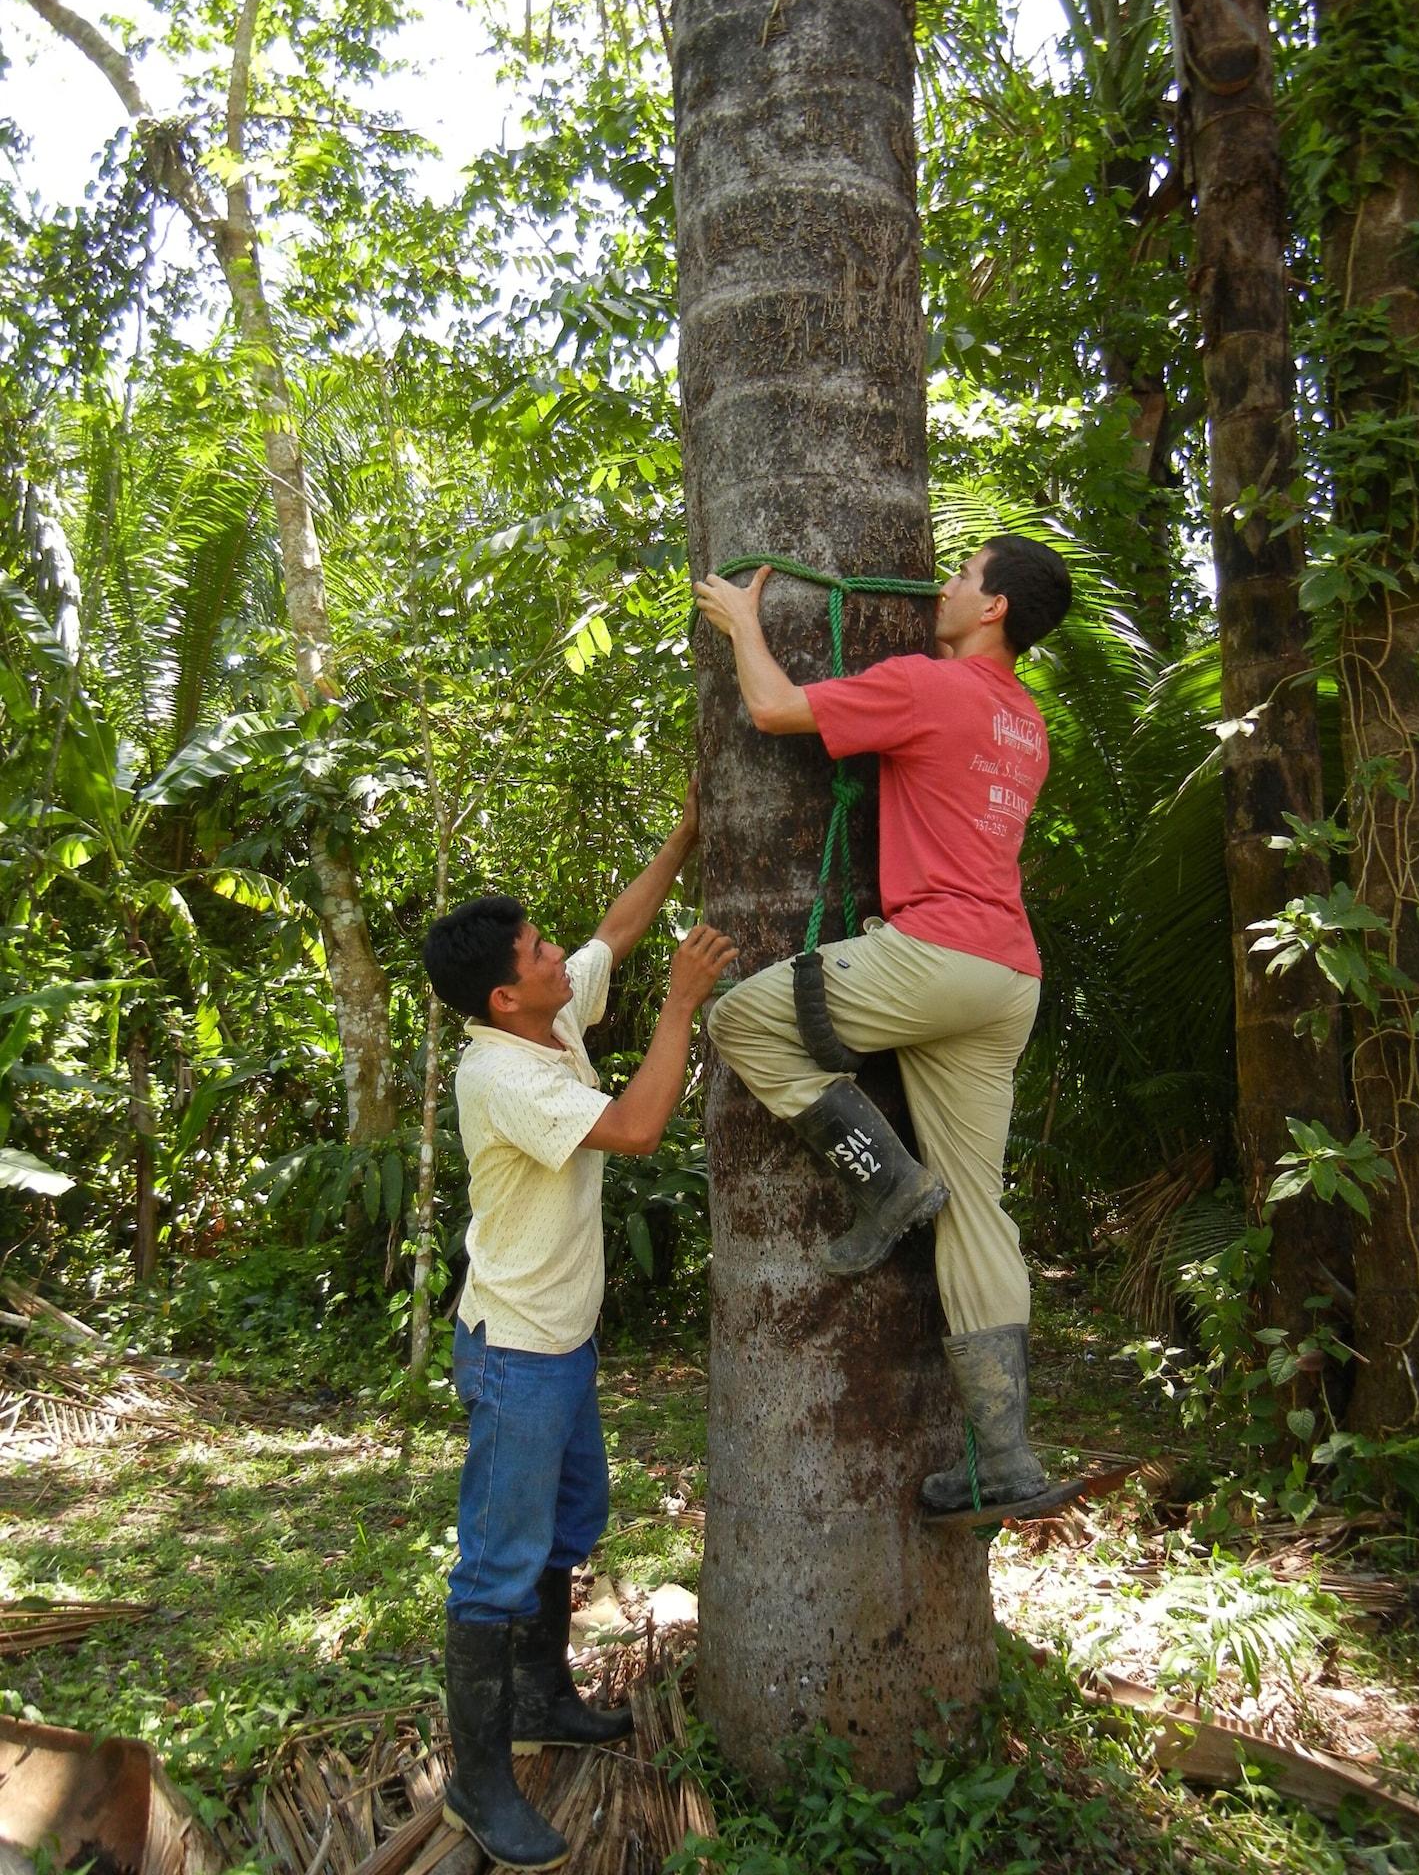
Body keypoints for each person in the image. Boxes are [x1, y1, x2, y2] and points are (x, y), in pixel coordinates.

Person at [692, 537, 1080, 1520]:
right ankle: (1006, 1458)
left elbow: (775, 709)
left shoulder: (928, 685)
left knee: (741, 1018)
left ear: (993, 607)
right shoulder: (1027, 723)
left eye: (963, 574)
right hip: (1008, 977)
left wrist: (743, 622)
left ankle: (886, 1178)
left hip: (938, 956)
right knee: (980, 1214)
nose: (944, 585)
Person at [421, 796, 735, 1874]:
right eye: (539, 950)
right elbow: (640, 1128)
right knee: (497, 1565)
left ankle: (544, 1695)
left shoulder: (543, 1022)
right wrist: (680, 1008)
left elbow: (619, 927)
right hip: (515, 1352)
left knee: (570, 1519)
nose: (562, 953)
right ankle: (476, 1777)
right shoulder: (502, 1072)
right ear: (506, 993)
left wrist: (688, 835)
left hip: (561, 1339)